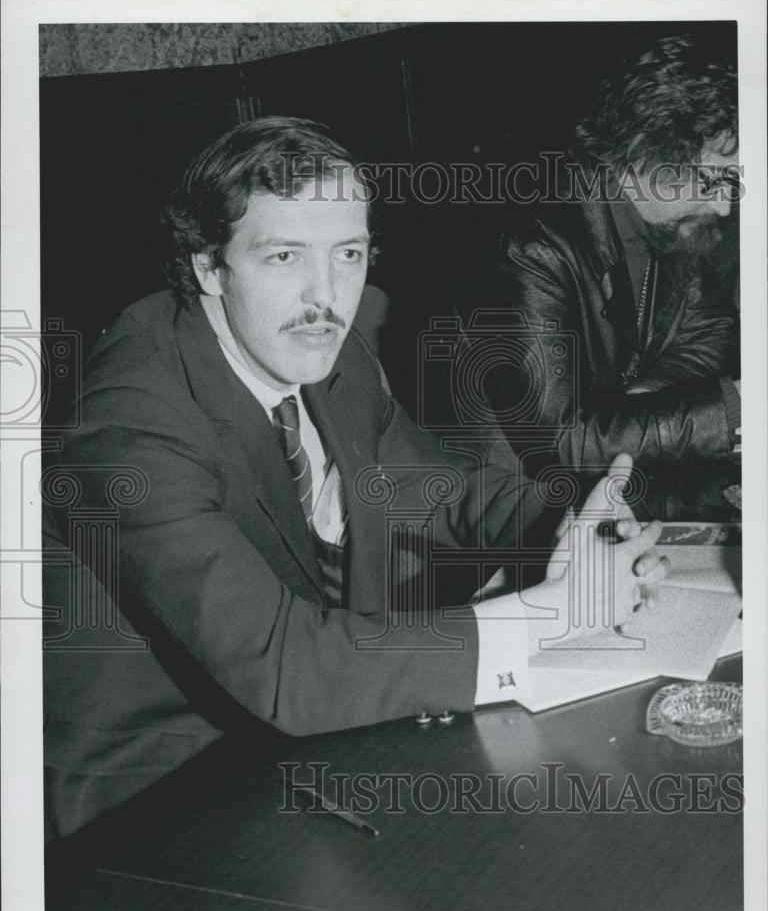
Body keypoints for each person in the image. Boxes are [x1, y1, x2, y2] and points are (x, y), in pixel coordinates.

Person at [43, 117, 667, 839]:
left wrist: (589, 524)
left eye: (348, 253)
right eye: (283, 256)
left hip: (312, 741)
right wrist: (549, 613)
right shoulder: (129, 427)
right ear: (209, 266)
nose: (326, 295)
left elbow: (446, 492)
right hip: (158, 801)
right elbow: (283, 668)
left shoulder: (324, 348)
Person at [455, 34, 741, 520]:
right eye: (715, 180)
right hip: (509, 519)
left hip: (615, 488)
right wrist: (735, 408)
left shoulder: (670, 223)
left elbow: (710, 328)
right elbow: (564, 444)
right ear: (645, 152)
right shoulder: (531, 245)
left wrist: (640, 399)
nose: (724, 204)